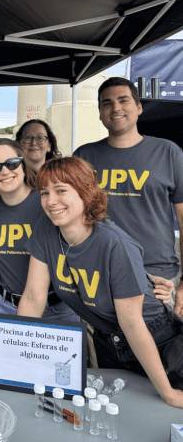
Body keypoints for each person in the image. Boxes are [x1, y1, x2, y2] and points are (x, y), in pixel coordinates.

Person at [17, 156, 183, 408]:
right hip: (107, 340)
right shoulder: (46, 228)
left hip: (156, 340)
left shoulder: (114, 243)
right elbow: (33, 296)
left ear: (85, 192)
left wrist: (167, 392)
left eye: (61, 190)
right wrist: (18, 355)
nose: (51, 201)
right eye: (44, 192)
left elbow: (133, 323)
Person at [74, 76, 183, 314]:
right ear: (100, 113)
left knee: (161, 349)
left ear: (139, 107)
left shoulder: (168, 152)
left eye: (123, 100)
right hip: (100, 273)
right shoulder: (84, 155)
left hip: (157, 278)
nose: (116, 108)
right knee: (106, 349)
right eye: (107, 103)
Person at [0, 138, 78, 322]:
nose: (5, 171)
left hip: (57, 309)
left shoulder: (48, 204)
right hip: (3, 306)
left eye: (12, 164)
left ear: (23, 166)